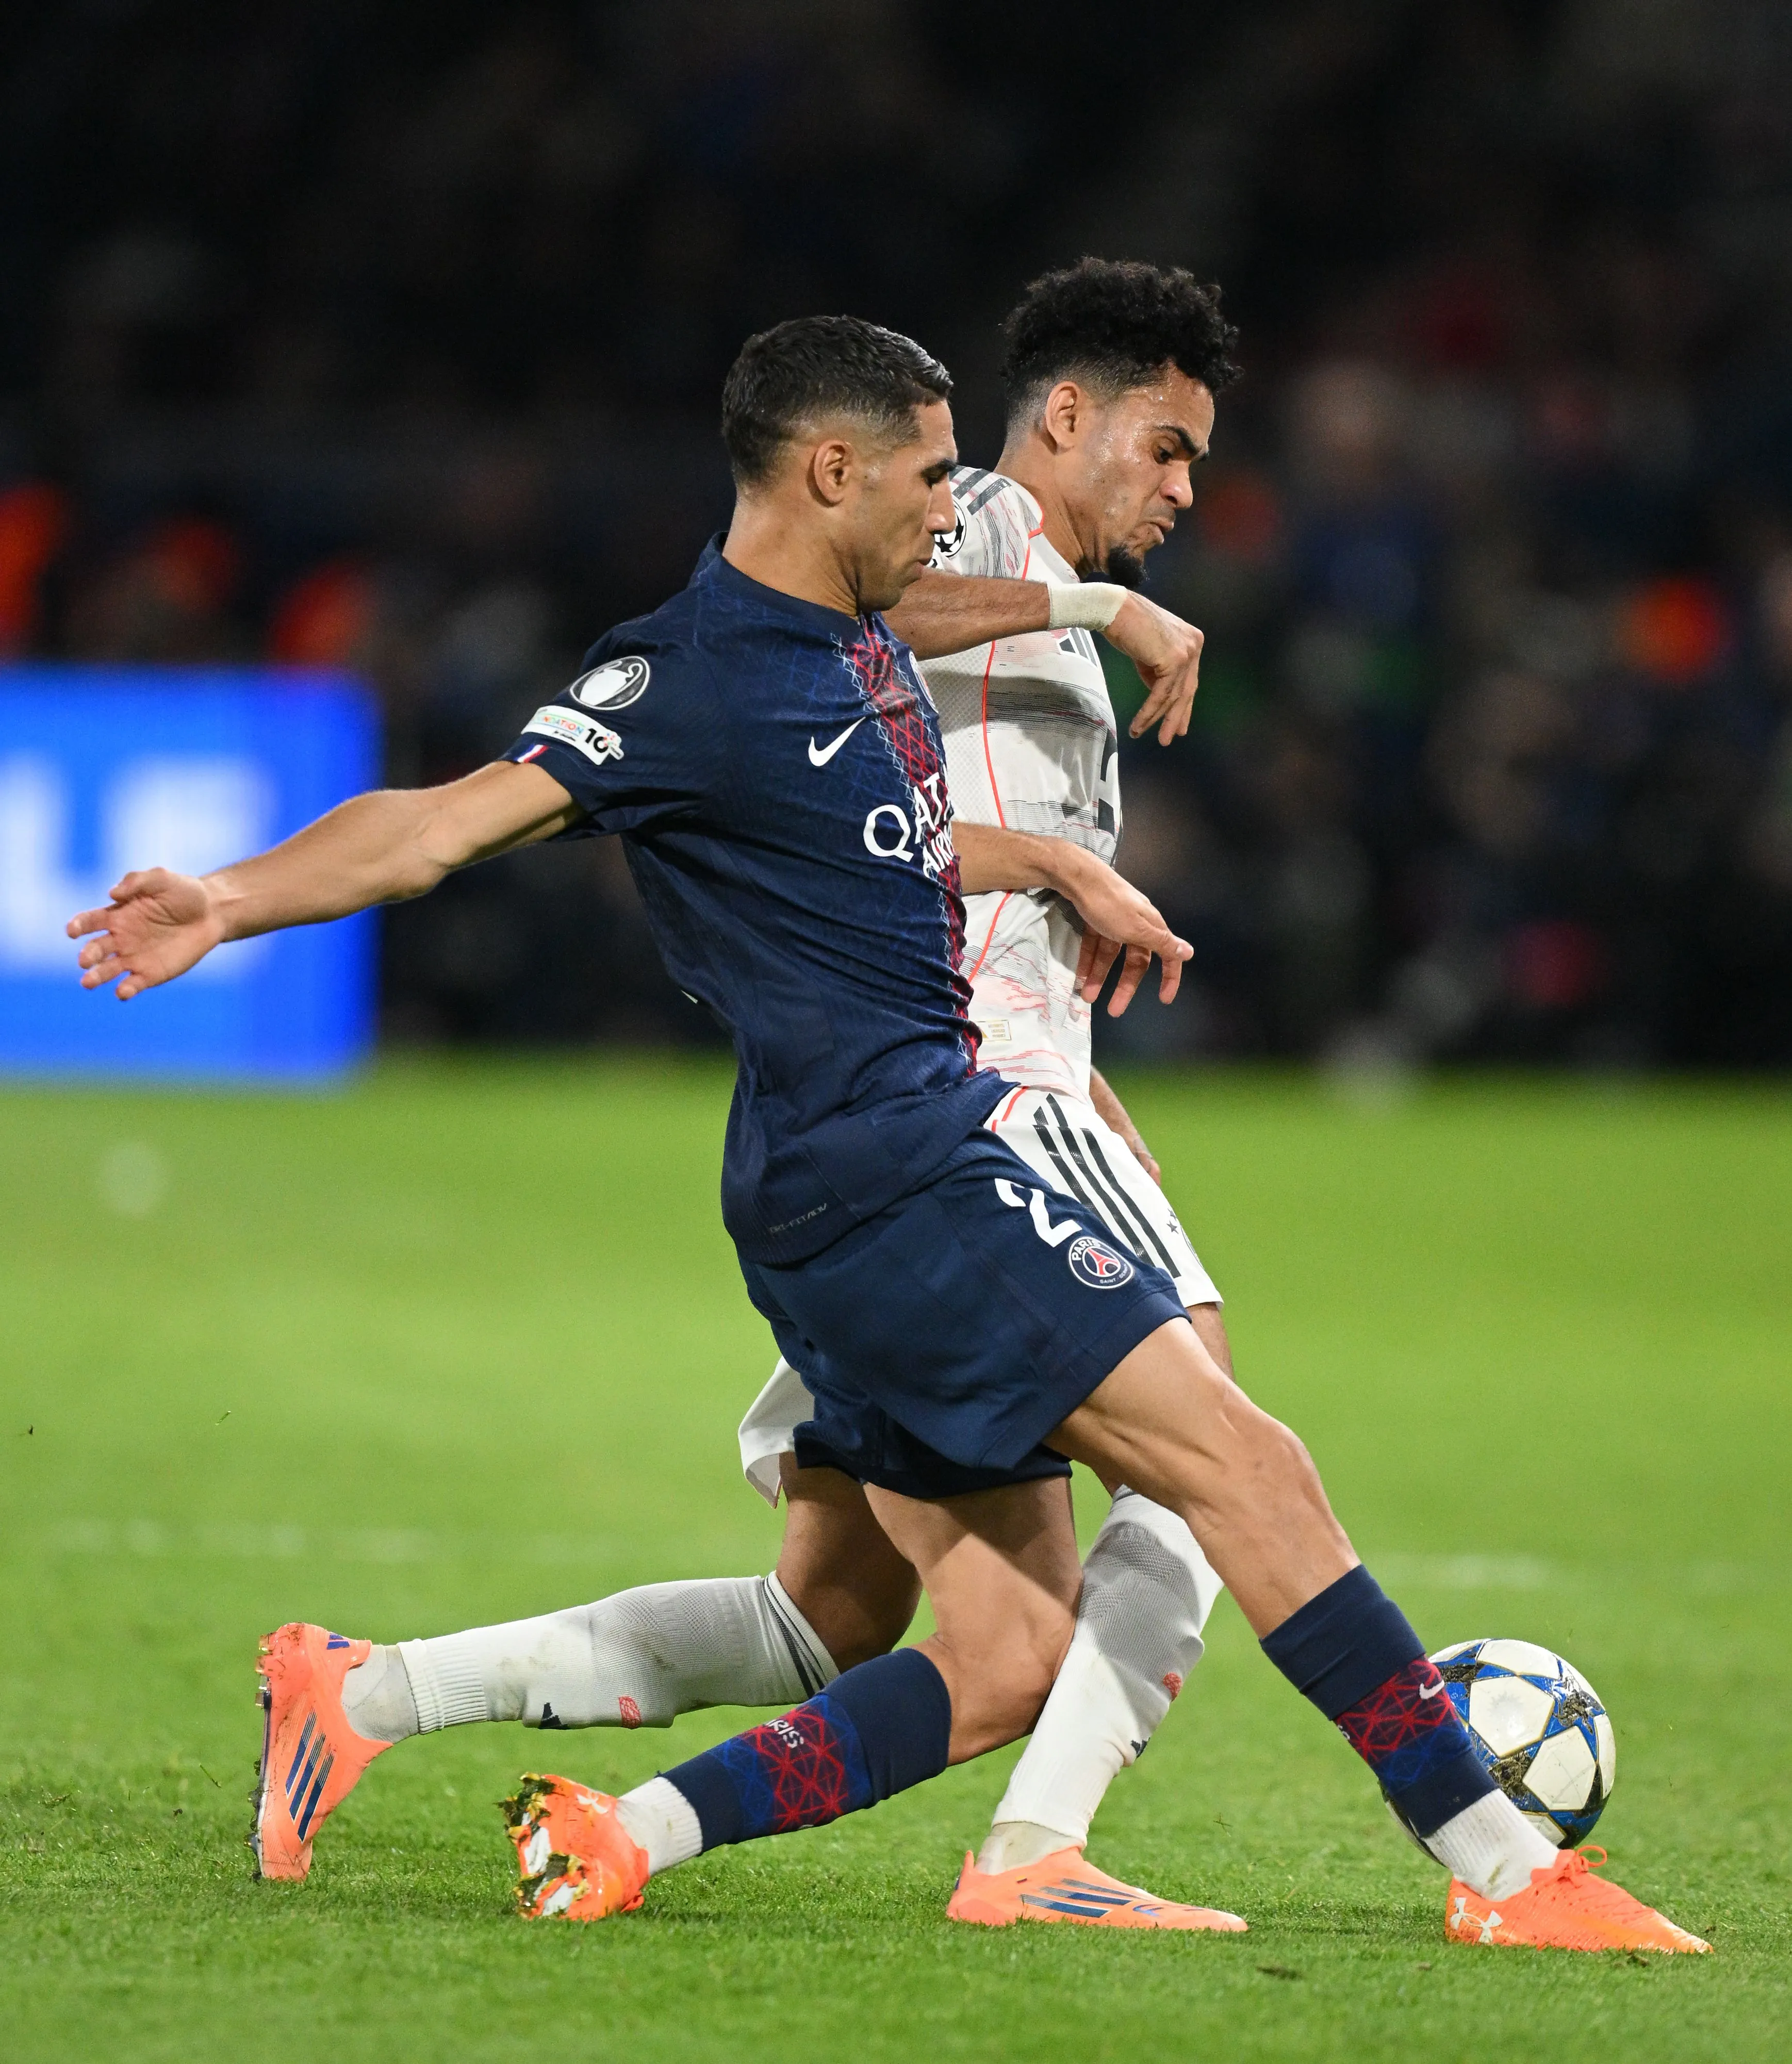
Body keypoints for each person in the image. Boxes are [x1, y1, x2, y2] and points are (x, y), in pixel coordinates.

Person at [70, 312, 1707, 1957]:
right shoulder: (684, 678)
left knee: (976, 1650)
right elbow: (439, 827)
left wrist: (1054, 869)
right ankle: (1507, 1870)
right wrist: (225, 896)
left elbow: (884, 853)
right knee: (1240, 1459)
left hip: (861, 1178)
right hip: (901, 1170)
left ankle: (567, 1802)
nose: (953, 511)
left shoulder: (857, 646)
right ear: (830, 471)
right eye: (932, 478)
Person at [333, 260, 1244, 1933]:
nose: (1189, 490)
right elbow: (848, 621)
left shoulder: (1004, 559)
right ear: (1066, 418)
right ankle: (1037, 1856)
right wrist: (1097, 614)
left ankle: (371, 1694)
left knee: (834, 1610)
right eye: (1169, 448)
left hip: (943, 1102)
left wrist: (1074, 1038)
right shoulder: (960, 521)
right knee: (1209, 1463)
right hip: (944, 1115)